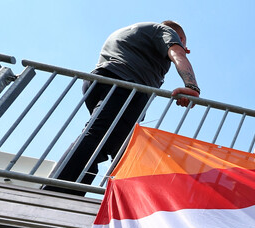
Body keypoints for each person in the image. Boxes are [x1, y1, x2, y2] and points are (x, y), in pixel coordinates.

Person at [45, 21, 200, 194]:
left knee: (113, 144)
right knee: (99, 135)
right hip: (125, 86)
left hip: (102, 81)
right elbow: (177, 52)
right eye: (184, 43)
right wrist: (192, 86)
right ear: (181, 37)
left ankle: (82, 189)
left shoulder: (138, 30)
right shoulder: (166, 31)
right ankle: (57, 190)